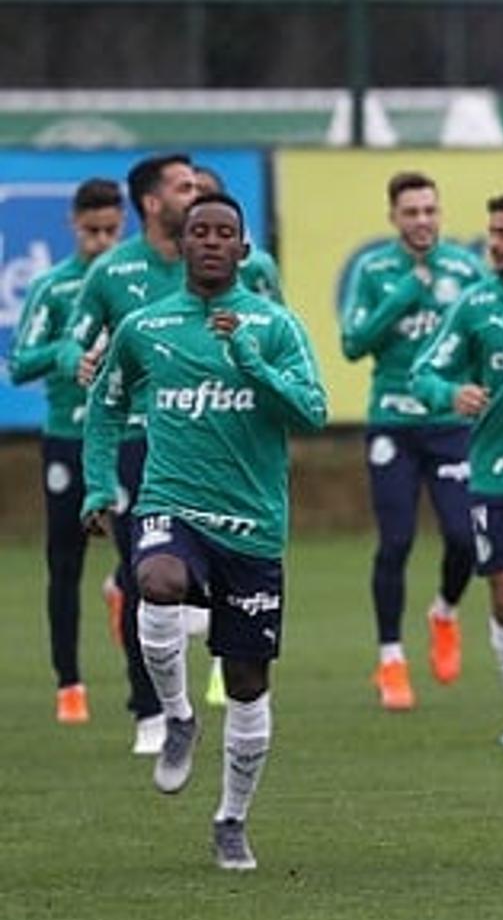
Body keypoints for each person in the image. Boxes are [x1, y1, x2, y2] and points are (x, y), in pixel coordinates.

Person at [80, 193, 328, 870]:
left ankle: (230, 820)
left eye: (225, 234)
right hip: (171, 503)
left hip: (252, 525)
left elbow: (311, 411)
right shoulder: (145, 327)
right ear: (180, 247)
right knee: (154, 580)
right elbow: (103, 408)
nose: (212, 242)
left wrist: (251, 360)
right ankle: (178, 715)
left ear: (244, 251)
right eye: (200, 233)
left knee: (247, 681)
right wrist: (101, 484)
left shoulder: (275, 327)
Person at [410, 191, 503, 745]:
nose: (492, 243)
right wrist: (450, 393)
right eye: (491, 232)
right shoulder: (475, 304)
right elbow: (424, 374)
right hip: (497, 473)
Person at [67, 152, 202, 752]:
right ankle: (149, 710)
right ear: (152, 203)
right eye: (183, 186)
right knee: (143, 576)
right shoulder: (112, 273)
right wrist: (82, 360)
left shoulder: (214, 268)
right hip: (134, 442)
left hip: (205, 438)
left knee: (201, 577)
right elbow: (74, 339)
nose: (194, 192)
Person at [339, 171, 487, 710]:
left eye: (430, 210)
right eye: (411, 212)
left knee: (466, 540)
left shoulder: (465, 269)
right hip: (393, 420)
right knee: (396, 540)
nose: (422, 220)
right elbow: (354, 344)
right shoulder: (375, 270)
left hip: (449, 424)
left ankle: (444, 612)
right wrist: (402, 296)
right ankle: (391, 659)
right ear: (393, 217)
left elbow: (483, 340)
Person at [9, 178, 124, 725]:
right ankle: (69, 683)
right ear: (72, 226)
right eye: (91, 230)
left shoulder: (131, 284)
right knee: (64, 562)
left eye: (111, 230)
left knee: (146, 558)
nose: (102, 241)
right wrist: (65, 353)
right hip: (67, 436)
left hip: (127, 437)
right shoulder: (54, 287)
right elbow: (20, 361)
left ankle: (145, 693)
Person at [192, 165, 282, 301]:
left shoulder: (256, 265)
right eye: (187, 190)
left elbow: (274, 315)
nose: (196, 197)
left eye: (205, 191)